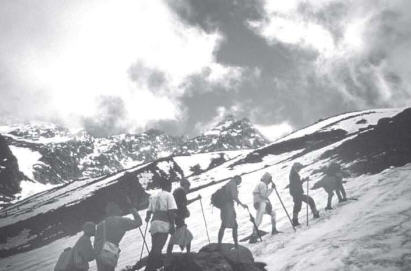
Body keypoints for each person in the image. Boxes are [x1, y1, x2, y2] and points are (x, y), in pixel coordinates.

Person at [94, 202, 142, 271]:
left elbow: (96, 241)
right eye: (120, 208)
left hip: (99, 250)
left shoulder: (101, 224)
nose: (121, 210)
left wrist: (97, 252)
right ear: (117, 210)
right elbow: (139, 222)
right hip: (111, 250)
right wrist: (133, 210)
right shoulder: (121, 221)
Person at [145, 181, 177, 271]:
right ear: (167, 186)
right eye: (170, 186)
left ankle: (149, 267)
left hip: (154, 223)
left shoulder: (154, 196)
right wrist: (172, 225)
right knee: (158, 248)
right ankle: (153, 267)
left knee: (154, 247)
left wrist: (147, 217)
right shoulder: (169, 196)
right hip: (163, 223)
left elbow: (148, 211)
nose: (171, 188)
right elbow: (171, 212)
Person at [167, 179, 200, 254]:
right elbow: (184, 204)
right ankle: (185, 253)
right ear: (185, 185)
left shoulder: (177, 191)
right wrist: (186, 212)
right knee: (186, 236)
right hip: (178, 217)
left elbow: (181, 204)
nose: (188, 189)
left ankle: (172, 252)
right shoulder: (181, 191)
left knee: (184, 235)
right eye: (188, 187)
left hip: (175, 217)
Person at [218, 175, 247, 249]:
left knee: (225, 225)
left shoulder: (229, 183)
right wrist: (242, 204)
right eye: (239, 182)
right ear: (237, 179)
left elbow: (232, 195)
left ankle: (220, 244)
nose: (238, 184)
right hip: (228, 207)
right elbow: (234, 196)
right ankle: (235, 245)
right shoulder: (233, 183)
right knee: (229, 225)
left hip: (225, 206)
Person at [249, 172, 279, 243]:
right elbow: (264, 195)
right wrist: (272, 189)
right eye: (269, 179)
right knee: (259, 219)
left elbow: (263, 195)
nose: (269, 181)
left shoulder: (262, 184)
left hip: (260, 203)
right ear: (266, 179)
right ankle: (253, 236)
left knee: (273, 213)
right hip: (261, 203)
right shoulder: (262, 184)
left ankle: (274, 229)